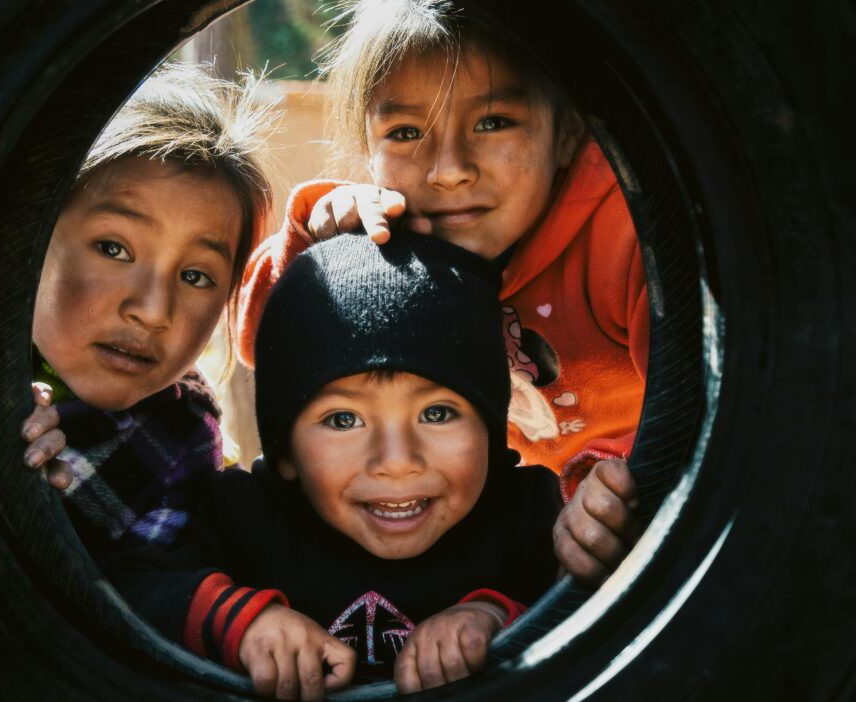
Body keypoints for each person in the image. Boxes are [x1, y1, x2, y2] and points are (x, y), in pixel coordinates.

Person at [102, 232, 564, 699]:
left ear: (490, 428)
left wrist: (495, 618)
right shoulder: (245, 519)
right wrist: (244, 624)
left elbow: (602, 609)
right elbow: (122, 593)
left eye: (437, 413)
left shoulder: (526, 516)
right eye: (343, 419)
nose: (397, 461)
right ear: (284, 453)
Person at [236, 0, 649, 502]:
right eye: (406, 133)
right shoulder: (388, 237)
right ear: (368, 152)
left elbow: (708, 406)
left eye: (494, 122)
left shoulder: (623, 238)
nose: (448, 170)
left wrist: (619, 484)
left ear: (567, 134)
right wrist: (321, 247)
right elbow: (264, 340)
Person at [20, 62, 275, 558]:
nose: (153, 311)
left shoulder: (189, 462)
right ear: (32, 239)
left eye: (196, 276)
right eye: (114, 249)